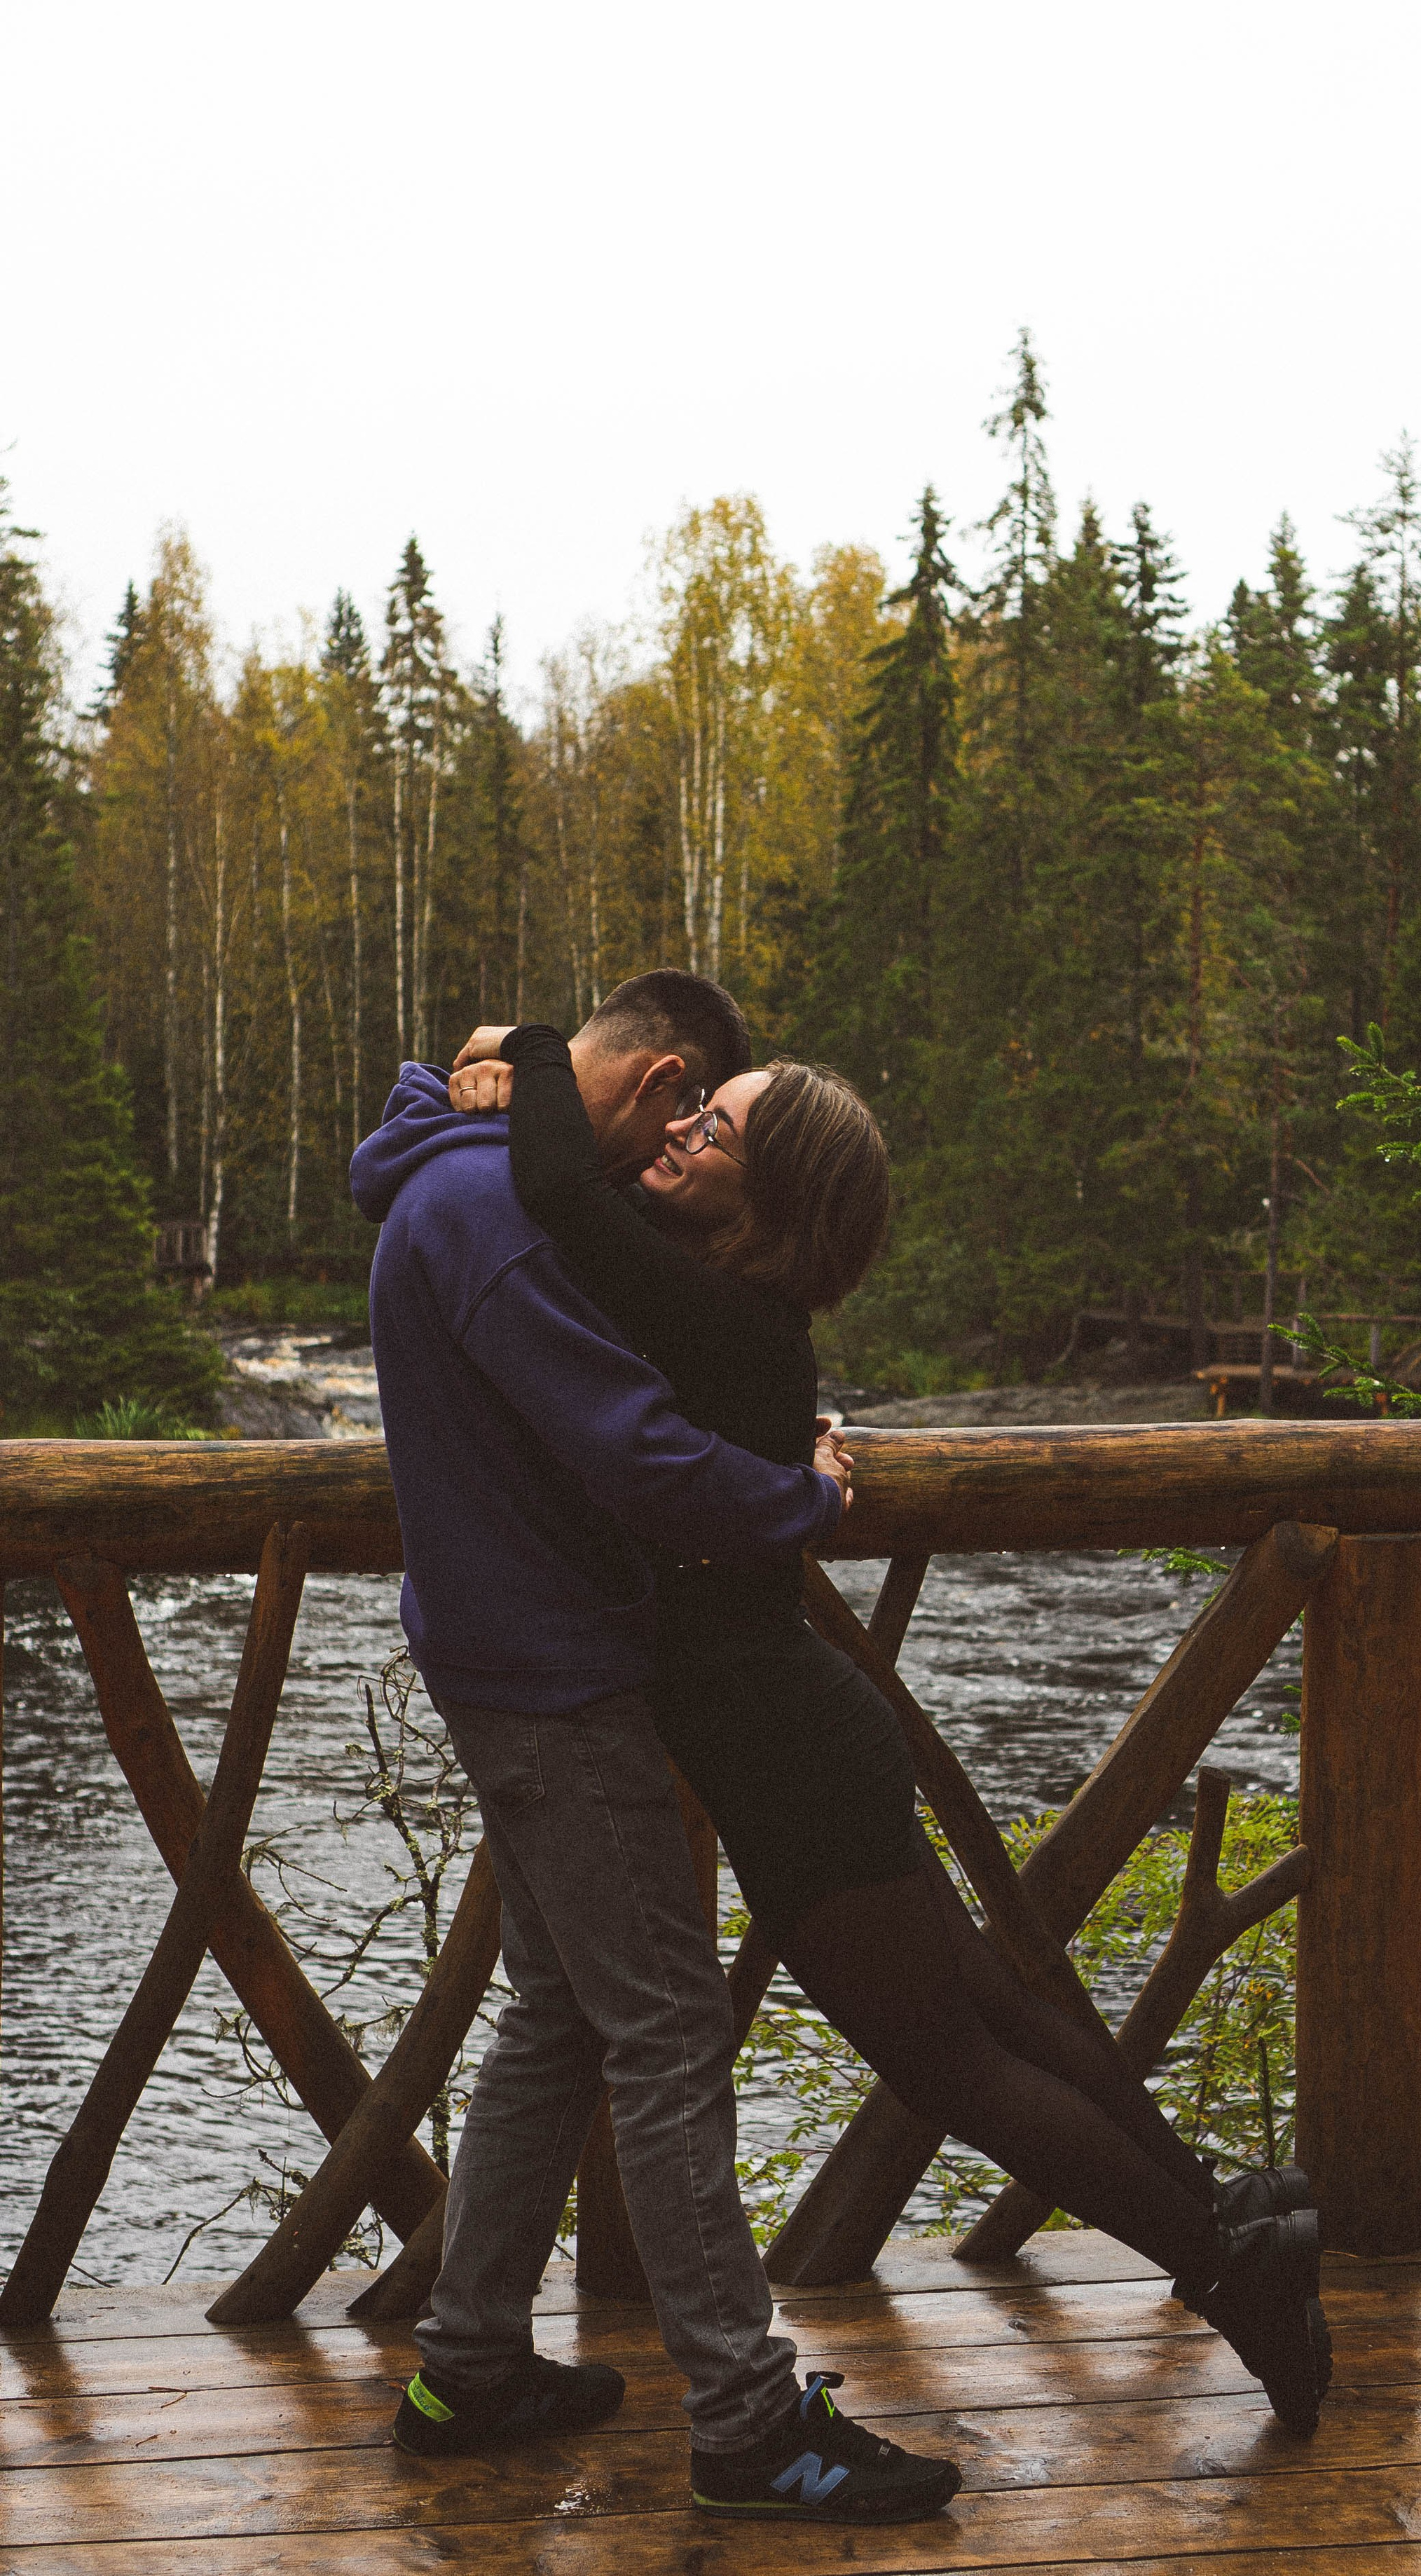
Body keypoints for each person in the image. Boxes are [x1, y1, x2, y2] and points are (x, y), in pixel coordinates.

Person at [446, 1018, 1333, 2438]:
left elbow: (556, 1187)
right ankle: (1227, 2221)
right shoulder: (722, 1304)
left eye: (713, 1129)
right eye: (688, 1117)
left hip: (783, 1748)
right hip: (800, 1725)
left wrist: (531, 1044)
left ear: (770, 1203)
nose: (675, 1132)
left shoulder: (707, 1310)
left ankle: (1227, 2266)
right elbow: (586, 1187)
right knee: (993, 2010)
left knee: (952, 2062)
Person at [350, 969, 963, 2526]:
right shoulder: (492, 1215)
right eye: (679, 1120)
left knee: (561, 2013)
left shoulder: (456, 1172)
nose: (663, 1157)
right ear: (655, 1080)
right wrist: (805, 1500)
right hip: (551, 1673)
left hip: (504, 1649)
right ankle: (751, 2424)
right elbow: (634, 1450)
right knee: (668, 2035)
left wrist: (471, 1072)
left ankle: (471, 2362)